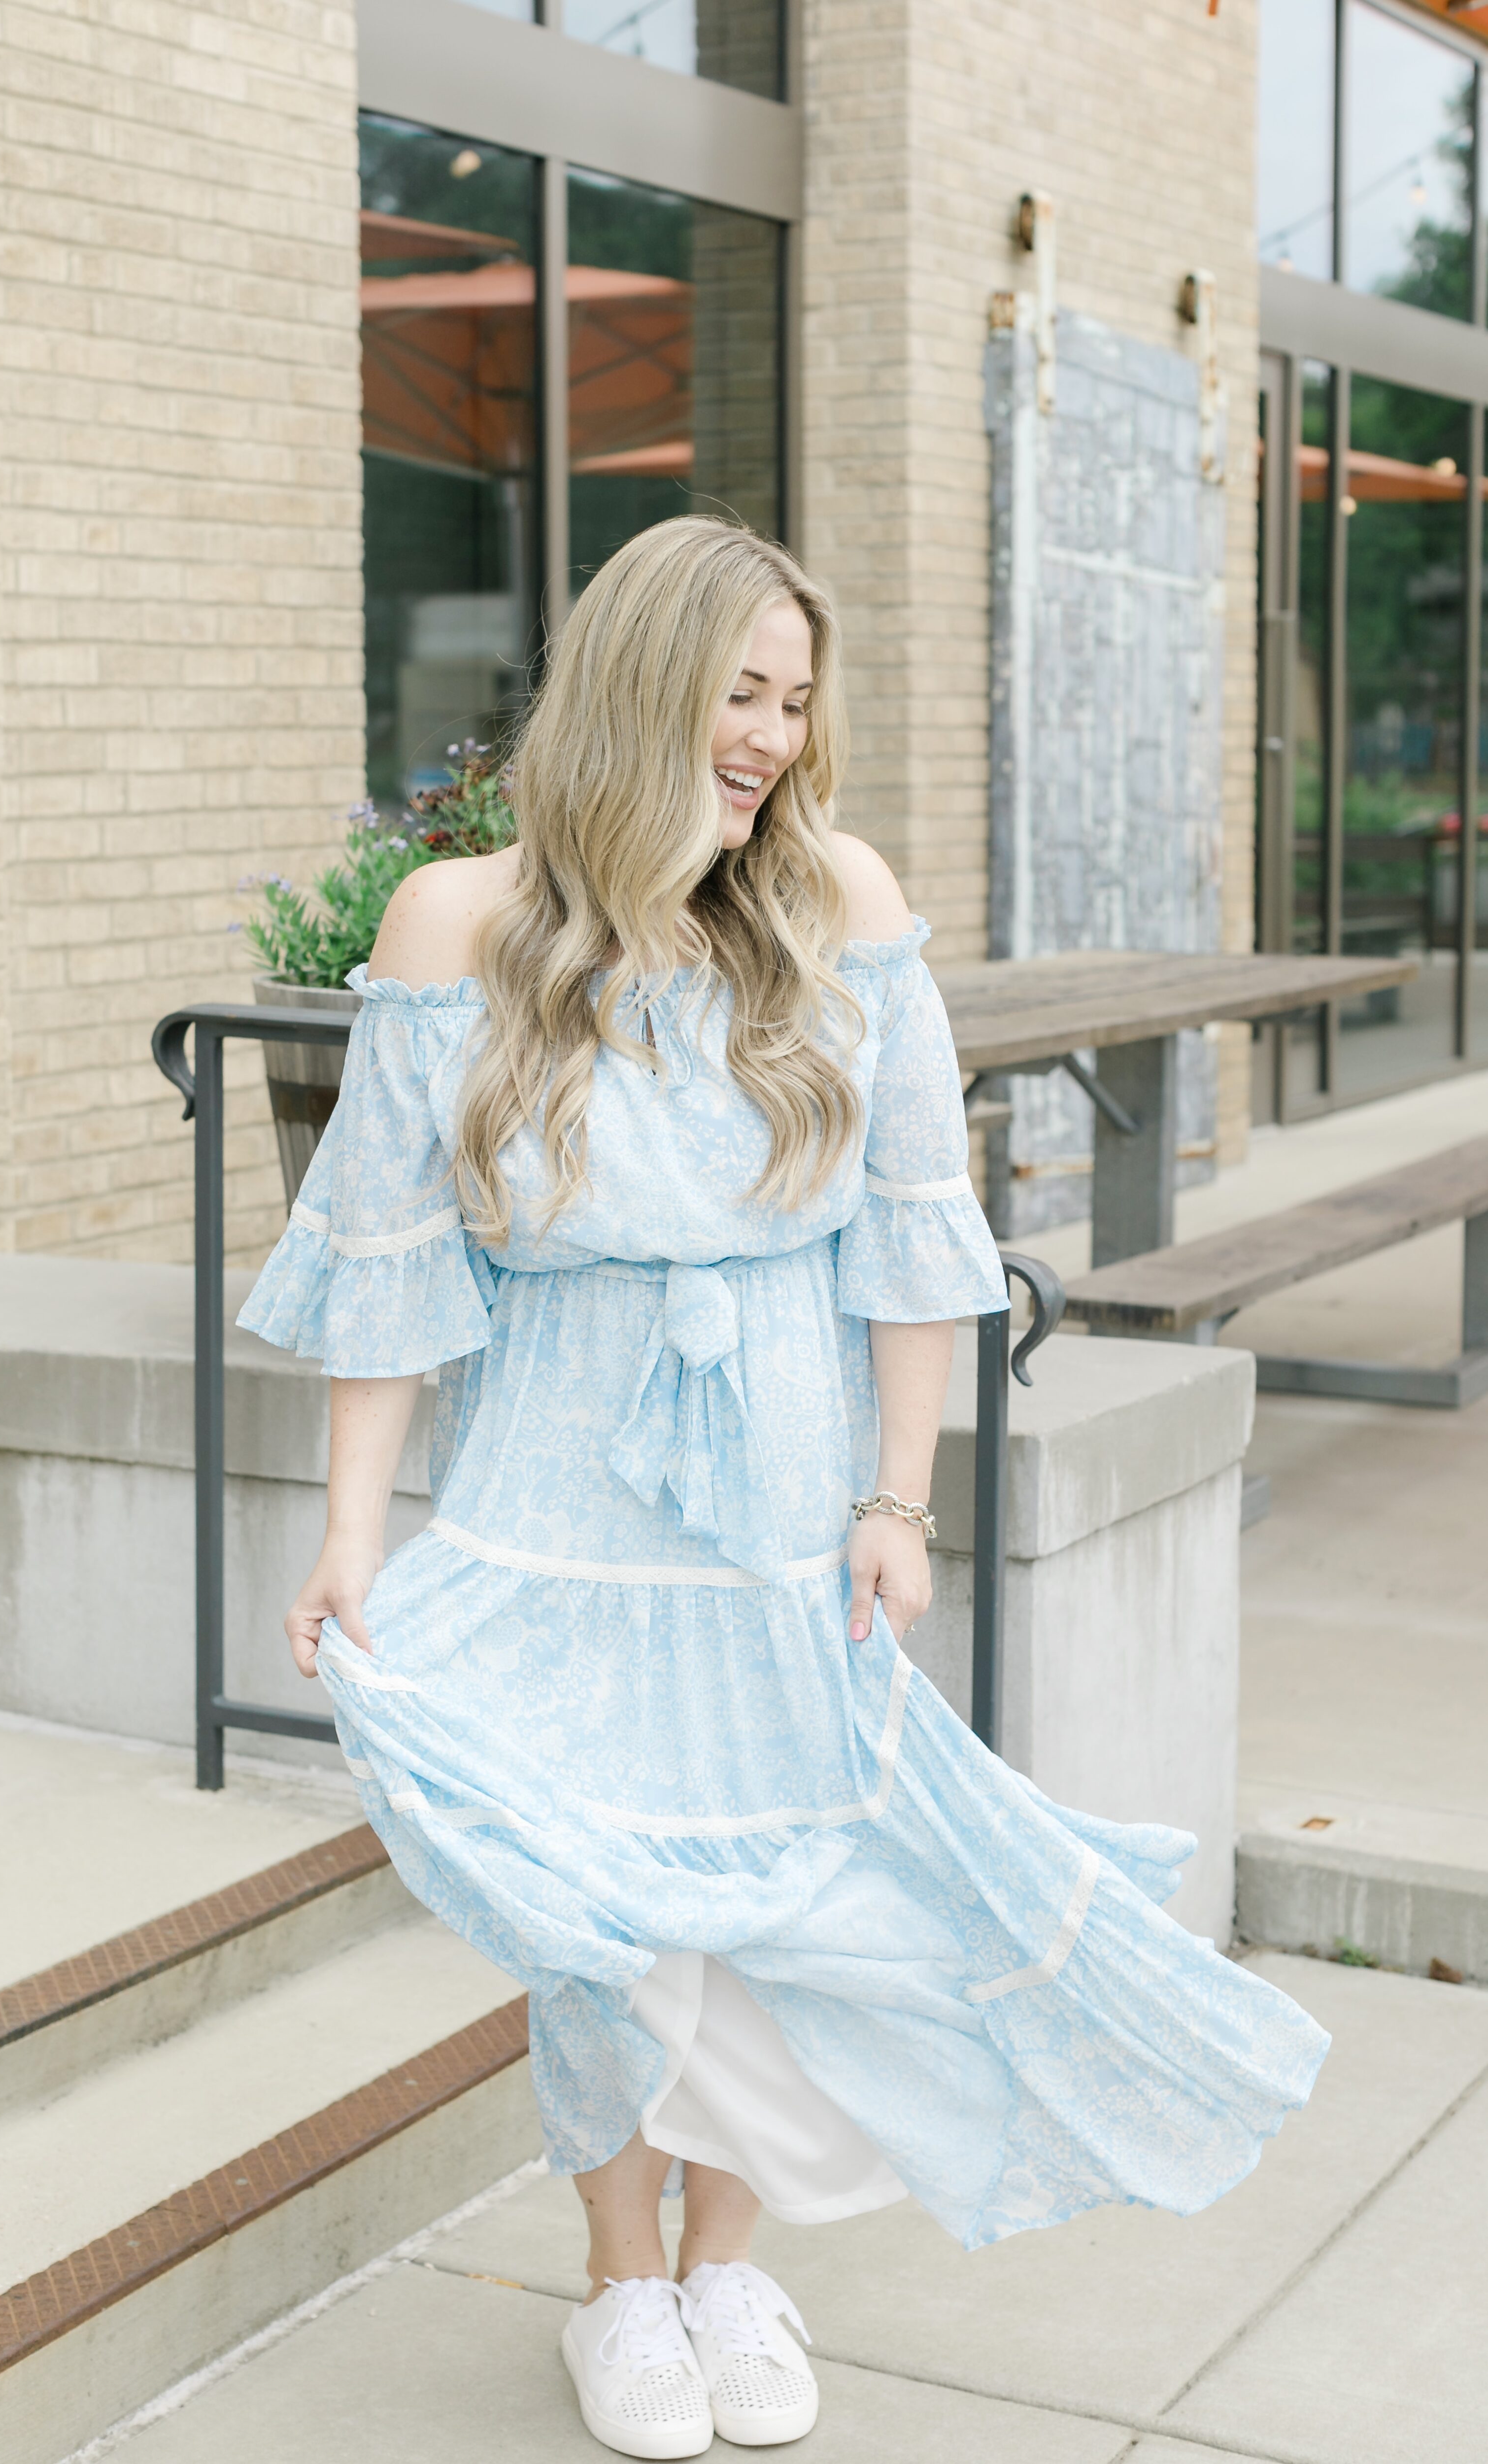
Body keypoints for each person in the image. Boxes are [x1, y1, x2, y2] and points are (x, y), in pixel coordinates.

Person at [239, 517, 1329, 2460]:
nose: (768, 735)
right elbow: (394, 1269)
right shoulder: (457, 926)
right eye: (739, 690)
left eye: (794, 698)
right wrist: (347, 1529)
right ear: (641, 683)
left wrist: (897, 1504)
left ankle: (730, 2260)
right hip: (554, 1509)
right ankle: (619, 2279)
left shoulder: (837, 902)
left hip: (781, 1511)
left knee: (787, 1897)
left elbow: (920, 1245)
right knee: (600, 1914)